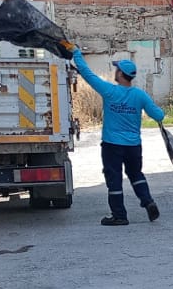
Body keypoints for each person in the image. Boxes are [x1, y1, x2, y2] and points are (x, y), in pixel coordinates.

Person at [71, 51, 165, 226]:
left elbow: (88, 74)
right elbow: (158, 115)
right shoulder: (140, 95)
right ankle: (148, 202)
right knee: (136, 174)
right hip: (133, 145)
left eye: (117, 70)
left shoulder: (109, 91)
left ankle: (119, 215)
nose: (115, 72)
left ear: (121, 74)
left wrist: (76, 53)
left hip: (112, 145)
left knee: (114, 178)